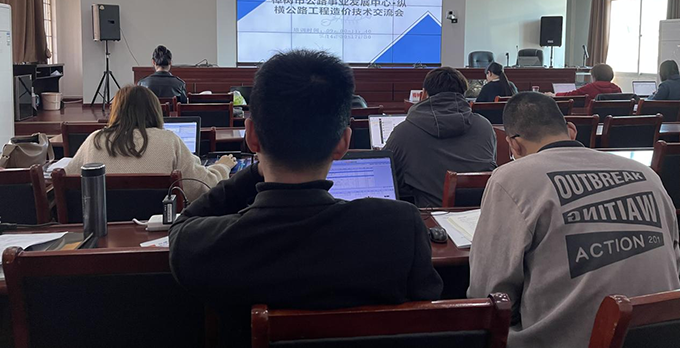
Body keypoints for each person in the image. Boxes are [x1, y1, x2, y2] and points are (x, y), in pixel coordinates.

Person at [169, 50, 442, 346]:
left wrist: (253, 172)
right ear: (343, 143)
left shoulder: (205, 245)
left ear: (251, 136)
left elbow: (183, 225)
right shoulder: (400, 227)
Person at [468, 92, 680, 348]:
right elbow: (674, 261)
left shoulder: (510, 179)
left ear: (514, 145)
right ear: (571, 131)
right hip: (660, 335)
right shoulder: (647, 175)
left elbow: (490, 296)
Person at [65, 86, 235, 202]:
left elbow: (67, 181)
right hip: (160, 231)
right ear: (155, 110)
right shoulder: (169, 140)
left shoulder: (95, 140)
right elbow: (202, 187)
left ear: (115, 111)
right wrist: (223, 167)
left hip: (101, 232)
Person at [384, 67, 496, 207]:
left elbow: (389, 179)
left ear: (423, 94)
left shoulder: (404, 132)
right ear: (463, 94)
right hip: (479, 214)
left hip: (428, 216)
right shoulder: (484, 127)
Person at [549, 63, 621, 104]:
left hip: (592, 120)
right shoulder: (617, 89)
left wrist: (554, 95)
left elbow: (571, 95)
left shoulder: (592, 87)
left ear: (594, 76)